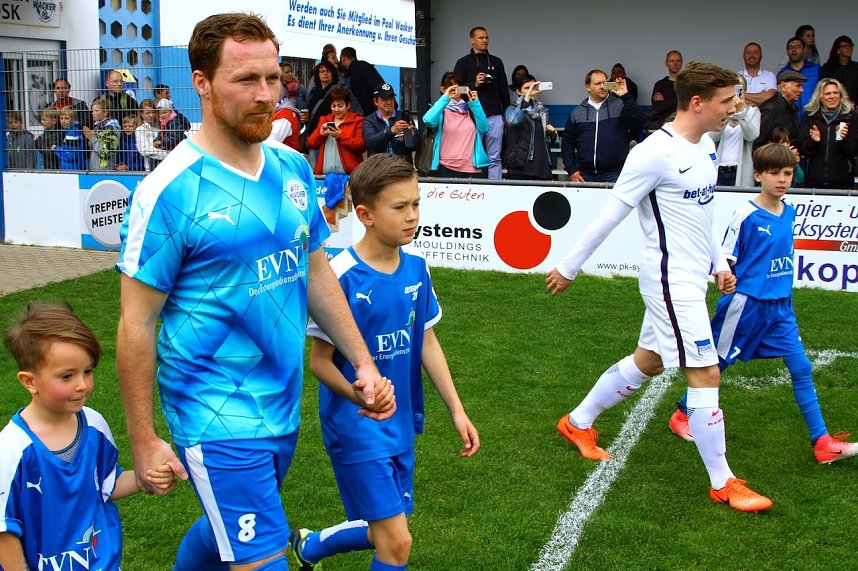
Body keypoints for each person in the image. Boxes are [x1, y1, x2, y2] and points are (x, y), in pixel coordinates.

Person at [116, 13, 393, 571]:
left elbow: (314, 270)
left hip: (281, 404)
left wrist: (362, 362)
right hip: (214, 412)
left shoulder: (291, 165)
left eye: (273, 78)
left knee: (226, 534)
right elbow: (135, 324)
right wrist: (144, 440)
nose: (266, 94)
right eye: (246, 80)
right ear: (201, 83)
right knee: (262, 556)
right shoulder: (166, 192)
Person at [547, 61, 773, 513]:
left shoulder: (706, 145)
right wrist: (570, 266)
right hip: (669, 282)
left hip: (692, 277)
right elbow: (610, 213)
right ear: (697, 102)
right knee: (705, 371)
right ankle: (723, 481)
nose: (734, 108)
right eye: (727, 101)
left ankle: (577, 421)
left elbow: (704, 213)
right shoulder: (652, 153)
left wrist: (719, 263)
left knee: (648, 361)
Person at [291, 154, 480, 571]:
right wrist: (360, 394)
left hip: (400, 422)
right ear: (366, 214)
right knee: (397, 543)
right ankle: (312, 547)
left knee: (388, 530)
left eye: (416, 204)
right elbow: (320, 362)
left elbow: (426, 341)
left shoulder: (417, 268)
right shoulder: (339, 275)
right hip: (356, 425)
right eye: (400, 207)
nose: (412, 216)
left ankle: (311, 547)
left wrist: (457, 410)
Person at [667, 143, 858, 462]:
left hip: (781, 307)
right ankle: (683, 413)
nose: (782, 180)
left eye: (787, 173)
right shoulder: (746, 214)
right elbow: (725, 255)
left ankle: (822, 442)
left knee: (801, 366)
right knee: (717, 364)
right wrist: (723, 274)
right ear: (758, 175)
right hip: (746, 306)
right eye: (774, 173)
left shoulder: (790, 211)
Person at [0, 303, 173, 571]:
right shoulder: (11, 449)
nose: (82, 385)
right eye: (67, 376)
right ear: (29, 381)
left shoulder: (93, 425)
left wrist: (145, 478)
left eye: (87, 371)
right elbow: (4, 532)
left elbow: (106, 485)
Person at [561, 69, 644, 183]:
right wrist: (572, 170)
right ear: (588, 87)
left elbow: (641, 121)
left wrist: (626, 96)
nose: (602, 86)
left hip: (615, 173)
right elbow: (567, 143)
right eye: (597, 83)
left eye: (604, 83)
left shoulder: (620, 105)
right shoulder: (577, 112)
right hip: (585, 174)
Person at [453, 26, 510, 180]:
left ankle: (495, 189)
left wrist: (506, 115)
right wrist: (474, 84)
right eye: (481, 37)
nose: (485, 40)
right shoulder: (463, 63)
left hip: (494, 116)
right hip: (470, 117)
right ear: (472, 40)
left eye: (486, 37)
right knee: (471, 156)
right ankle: (474, 190)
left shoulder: (497, 62)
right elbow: (455, 89)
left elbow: (504, 90)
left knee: (495, 157)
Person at [422, 72, 490, 178]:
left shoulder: (470, 109)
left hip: (472, 168)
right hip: (446, 167)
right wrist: (445, 97)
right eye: (451, 87)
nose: (455, 90)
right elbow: (428, 120)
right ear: (443, 89)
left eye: (458, 87)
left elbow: (484, 128)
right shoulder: (440, 111)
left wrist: (475, 103)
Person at [796, 78, 858, 189]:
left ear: (840, 95)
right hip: (814, 182)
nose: (832, 96)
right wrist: (814, 142)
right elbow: (802, 149)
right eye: (828, 93)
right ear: (820, 96)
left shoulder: (851, 117)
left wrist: (841, 139)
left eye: (836, 93)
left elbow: (853, 151)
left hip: (843, 182)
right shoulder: (810, 117)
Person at [708, 75, 760, 187]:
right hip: (719, 168)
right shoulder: (721, 112)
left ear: (744, 91)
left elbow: (751, 136)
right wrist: (727, 112)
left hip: (740, 170)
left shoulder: (753, 112)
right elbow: (713, 137)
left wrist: (740, 113)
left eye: (739, 89)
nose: (735, 94)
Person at [504, 74, 556, 180]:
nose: (531, 91)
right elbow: (513, 121)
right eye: (527, 88)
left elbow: (548, 140)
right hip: (520, 167)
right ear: (518, 91)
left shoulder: (542, 111)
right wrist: (526, 99)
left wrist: (552, 134)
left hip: (542, 167)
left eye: (533, 87)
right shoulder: (512, 109)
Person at [307, 87, 366, 174]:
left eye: (340, 106)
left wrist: (340, 137)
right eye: (333, 106)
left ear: (348, 105)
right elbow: (311, 144)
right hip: (324, 176)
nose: (336, 109)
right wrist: (321, 134)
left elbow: (361, 146)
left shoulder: (357, 120)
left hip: (350, 176)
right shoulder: (325, 120)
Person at [363, 83, 418, 164]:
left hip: (402, 167)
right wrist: (392, 131)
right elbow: (371, 143)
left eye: (391, 98)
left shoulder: (403, 117)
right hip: (378, 168)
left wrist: (412, 136)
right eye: (384, 99)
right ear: (376, 101)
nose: (389, 102)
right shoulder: (369, 120)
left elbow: (416, 146)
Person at [754, 70, 807, 150]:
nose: (801, 90)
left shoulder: (790, 107)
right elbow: (758, 143)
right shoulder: (771, 109)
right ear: (783, 86)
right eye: (798, 86)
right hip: (773, 160)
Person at [302, 61, 340, 164]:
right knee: (316, 169)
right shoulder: (313, 92)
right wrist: (304, 119)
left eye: (328, 71)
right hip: (314, 135)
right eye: (322, 71)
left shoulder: (338, 91)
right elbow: (307, 110)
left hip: (330, 136)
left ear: (333, 74)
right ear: (317, 75)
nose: (325, 73)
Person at [779, 37, 820, 120]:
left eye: (797, 47)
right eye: (790, 47)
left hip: (814, 118)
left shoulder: (816, 69)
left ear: (804, 49)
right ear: (787, 52)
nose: (794, 50)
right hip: (792, 120)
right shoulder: (783, 73)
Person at [339, 47, 385, 117]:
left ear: (343, 58)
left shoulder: (352, 73)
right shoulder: (364, 66)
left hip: (369, 115)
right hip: (375, 113)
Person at [647, 50, 683, 130]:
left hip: (685, 122)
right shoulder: (660, 84)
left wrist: (665, 101)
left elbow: (689, 104)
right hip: (665, 124)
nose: (675, 64)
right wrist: (679, 99)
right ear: (666, 64)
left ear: (682, 63)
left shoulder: (688, 83)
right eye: (672, 61)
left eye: (678, 61)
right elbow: (658, 106)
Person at [82, 97, 120, 171]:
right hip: (95, 169)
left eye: (96, 111)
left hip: (105, 171)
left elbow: (105, 153)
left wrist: (92, 137)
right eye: (92, 111)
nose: (93, 113)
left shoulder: (111, 128)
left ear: (105, 112)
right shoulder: (98, 127)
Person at [820, 36, 858, 105]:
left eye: (850, 46)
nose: (848, 48)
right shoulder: (828, 67)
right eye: (845, 46)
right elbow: (823, 87)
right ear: (838, 50)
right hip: (833, 104)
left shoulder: (856, 67)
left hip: (853, 105)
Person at [739, 42, 777, 106]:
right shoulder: (737, 77)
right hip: (742, 115)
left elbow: (771, 97)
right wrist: (761, 97)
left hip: (764, 115)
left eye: (755, 53)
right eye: (748, 53)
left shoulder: (769, 76)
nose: (752, 56)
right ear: (743, 56)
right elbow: (737, 99)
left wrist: (743, 94)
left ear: (761, 56)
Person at [135, 98, 168, 171]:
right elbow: (145, 150)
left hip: (167, 166)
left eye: (153, 112)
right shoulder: (140, 130)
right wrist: (167, 154)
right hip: (151, 169)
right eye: (147, 113)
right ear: (141, 114)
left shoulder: (162, 126)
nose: (151, 115)